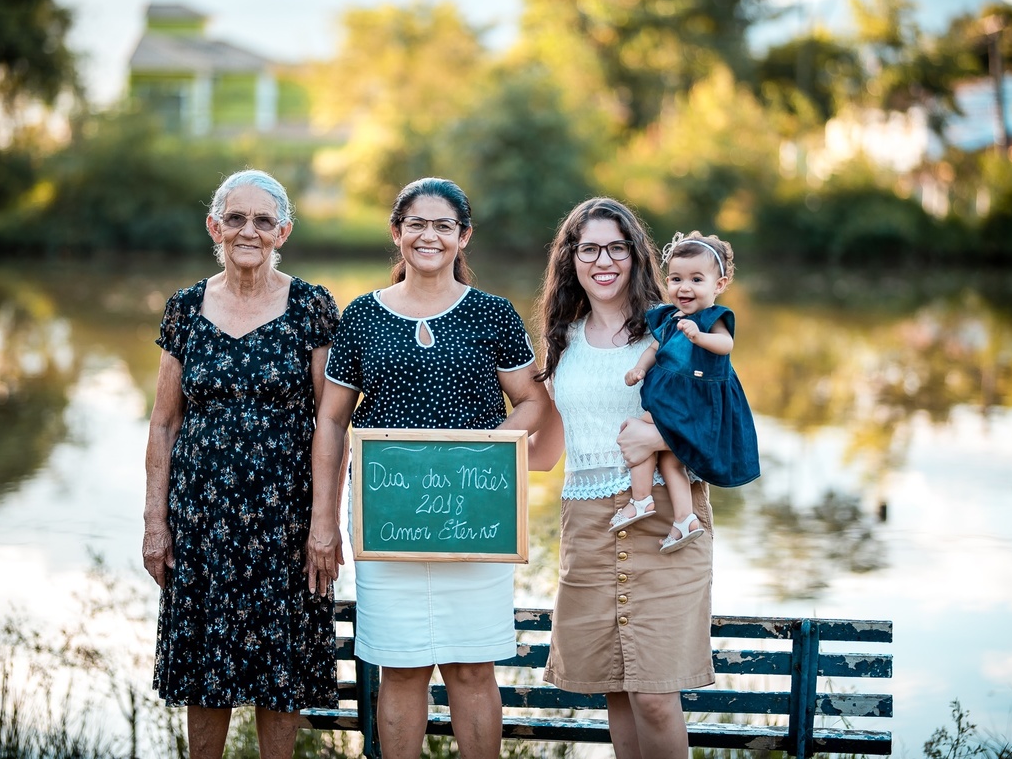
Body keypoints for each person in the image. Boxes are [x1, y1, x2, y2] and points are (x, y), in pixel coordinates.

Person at [306, 177, 549, 759]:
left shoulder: (493, 314)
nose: (429, 236)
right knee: (402, 670)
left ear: (464, 237)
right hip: (388, 522)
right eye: (416, 223)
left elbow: (534, 402)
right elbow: (332, 423)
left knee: (471, 670)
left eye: (444, 226)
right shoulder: (363, 316)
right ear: (397, 233)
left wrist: (474, 454)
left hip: (476, 521)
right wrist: (325, 522)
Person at [142, 169, 341, 759]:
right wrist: (155, 522)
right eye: (235, 218)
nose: (247, 230)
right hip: (200, 521)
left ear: (283, 232)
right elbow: (163, 423)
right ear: (214, 227)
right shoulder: (185, 308)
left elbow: (333, 423)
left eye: (262, 220)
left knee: (278, 672)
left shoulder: (311, 305)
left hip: (285, 521)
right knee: (205, 667)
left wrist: (324, 523)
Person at [528, 198, 714, 759]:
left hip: (665, 519)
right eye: (589, 248)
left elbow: (719, 430)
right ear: (572, 258)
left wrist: (659, 440)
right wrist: (451, 456)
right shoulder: (562, 340)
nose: (603, 261)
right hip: (588, 524)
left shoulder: (674, 326)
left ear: (636, 255)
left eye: (616, 247)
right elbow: (547, 452)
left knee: (655, 695)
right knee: (615, 687)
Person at [615, 230, 760, 553]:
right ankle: (685, 520)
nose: (685, 287)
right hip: (668, 396)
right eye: (676, 279)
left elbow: (726, 345)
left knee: (636, 433)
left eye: (697, 279)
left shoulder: (712, 319)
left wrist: (699, 337)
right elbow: (654, 348)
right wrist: (639, 368)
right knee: (670, 462)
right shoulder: (669, 318)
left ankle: (640, 500)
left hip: (690, 403)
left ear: (718, 285)